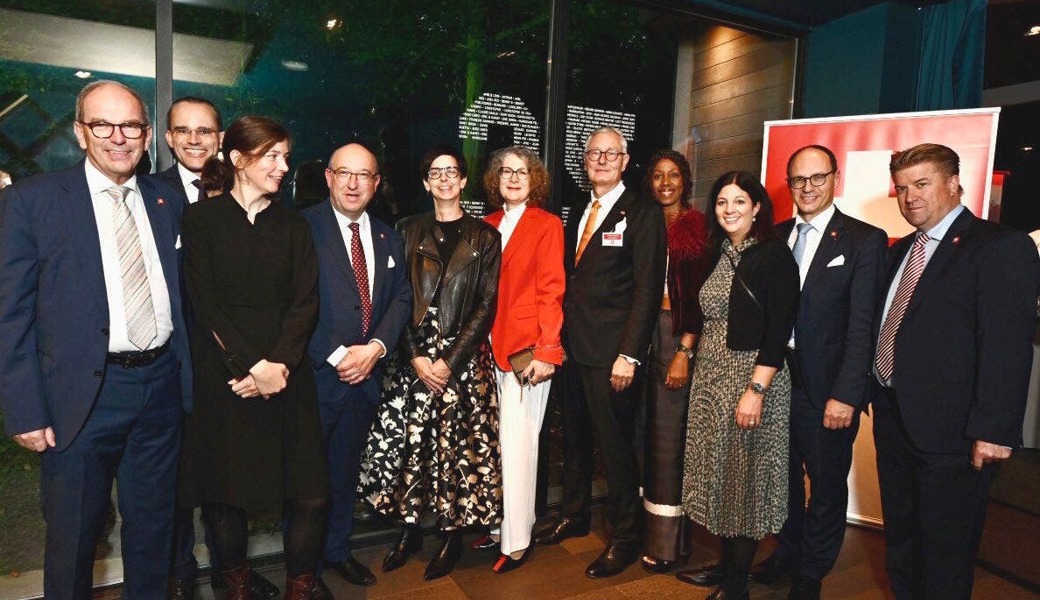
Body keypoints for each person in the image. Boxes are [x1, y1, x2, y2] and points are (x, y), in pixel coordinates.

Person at [0, 80, 192, 599]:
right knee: (74, 536)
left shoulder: (164, 199)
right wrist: (23, 409)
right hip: (80, 398)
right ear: (80, 132)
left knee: (154, 529)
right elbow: (9, 315)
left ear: (147, 135)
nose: (117, 137)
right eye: (102, 125)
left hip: (160, 390)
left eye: (130, 125)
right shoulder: (30, 201)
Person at [871, 143, 1039, 600]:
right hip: (894, 421)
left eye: (922, 184)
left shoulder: (1000, 246)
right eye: (902, 188)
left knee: (945, 554)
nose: (910, 197)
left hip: (956, 435)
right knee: (903, 544)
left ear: (953, 183)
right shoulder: (900, 250)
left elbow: (1007, 346)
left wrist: (994, 429)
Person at [178, 115, 328, 600]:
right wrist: (251, 368)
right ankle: (235, 590)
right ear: (238, 160)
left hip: (289, 376)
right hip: (228, 380)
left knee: (309, 493)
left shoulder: (294, 224)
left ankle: (298, 591)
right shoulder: (201, 220)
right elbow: (204, 304)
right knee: (226, 498)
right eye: (272, 156)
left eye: (285, 157)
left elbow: (306, 302)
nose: (284, 167)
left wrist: (279, 366)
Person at [743, 145, 887, 600]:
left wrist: (846, 393)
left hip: (827, 387)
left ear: (835, 179)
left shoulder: (864, 240)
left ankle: (811, 572)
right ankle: (788, 550)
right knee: (781, 476)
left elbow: (863, 325)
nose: (806, 188)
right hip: (776, 379)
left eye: (817, 178)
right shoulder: (775, 236)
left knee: (824, 483)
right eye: (798, 180)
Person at [359, 144, 502, 581]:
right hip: (412, 359)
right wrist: (416, 358)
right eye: (435, 172)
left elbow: (486, 304)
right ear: (426, 182)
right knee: (411, 448)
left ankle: (451, 535)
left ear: (462, 181)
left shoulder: (485, 237)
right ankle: (409, 530)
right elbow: (397, 298)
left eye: (451, 172)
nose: (443, 179)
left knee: (455, 450)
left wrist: (449, 362)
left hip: (460, 366)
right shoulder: (405, 229)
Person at [533, 126, 666, 579]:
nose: (602, 160)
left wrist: (629, 355)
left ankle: (626, 537)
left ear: (626, 161)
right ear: (585, 160)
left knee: (615, 448)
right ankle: (574, 516)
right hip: (572, 349)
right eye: (594, 153)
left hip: (612, 355)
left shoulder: (644, 212)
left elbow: (647, 290)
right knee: (572, 440)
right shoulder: (580, 210)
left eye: (612, 153)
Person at [677, 171, 799, 600]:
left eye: (739, 202)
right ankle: (726, 567)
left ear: (758, 207)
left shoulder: (774, 256)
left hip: (750, 378)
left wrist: (756, 391)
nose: (729, 209)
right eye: (722, 202)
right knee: (718, 477)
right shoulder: (717, 252)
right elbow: (701, 314)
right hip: (711, 378)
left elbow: (778, 330)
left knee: (743, 481)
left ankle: (737, 587)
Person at [301, 143, 411, 594]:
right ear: (328, 177)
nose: (352, 183)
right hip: (317, 378)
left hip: (366, 379)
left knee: (345, 473)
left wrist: (376, 348)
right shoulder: (302, 227)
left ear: (376, 183)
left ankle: (337, 552)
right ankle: (303, 570)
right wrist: (338, 354)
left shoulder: (388, 235)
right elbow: (294, 303)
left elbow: (402, 296)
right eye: (344, 173)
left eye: (363, 175)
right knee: (308, 484)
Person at [472, 146, 565, 573]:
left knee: (520, 446)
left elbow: (552, 290)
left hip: (527, 353)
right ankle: (498, 528)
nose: (513, 178)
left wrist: (548, 350)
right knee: (495, 446)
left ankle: (517, 540)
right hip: (484, 350)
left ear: (535, 180)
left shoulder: (547, 225)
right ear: (495, 179)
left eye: (522, 171)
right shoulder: (486, 224)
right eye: (505, 171)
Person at [638, 150, 711, 574]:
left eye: (674, 175)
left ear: (685, 181)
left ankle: (669, 545)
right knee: (644, 436)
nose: (666, 183)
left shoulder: (698, 228)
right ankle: (644, 534)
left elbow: (703, 297)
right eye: (658, 175)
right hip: (641, 333)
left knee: (669, 442)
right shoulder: (645, 223)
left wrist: (684, 351)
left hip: (675, 336)